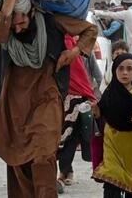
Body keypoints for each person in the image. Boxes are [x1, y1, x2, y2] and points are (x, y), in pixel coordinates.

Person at [0, 0, 97, 198]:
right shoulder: (7, 32)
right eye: (14, 25)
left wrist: (73, 53)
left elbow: (90, 30)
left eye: (22, 23)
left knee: (43, 155)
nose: (17, 30)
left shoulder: (51, 22)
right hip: (15, 101)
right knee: (17, 158)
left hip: (46, 97)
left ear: (32, 14)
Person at [91, 53, 132, 198]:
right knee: (111, 186)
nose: (125, 72)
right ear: (114, 71)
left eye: (129, 69)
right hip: (112, 147)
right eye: (120, 69)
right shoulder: (108, 93)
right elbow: (100, 116)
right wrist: (95, 110)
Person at [57, 35, 97, 194]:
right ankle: (66, 171)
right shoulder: (58, 40)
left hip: (75, 99)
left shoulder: (70, 44)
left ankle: (64, 172)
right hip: (58, 96)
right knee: (62, 138)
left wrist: (91, 97)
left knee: (69, 138)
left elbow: (81, 74)